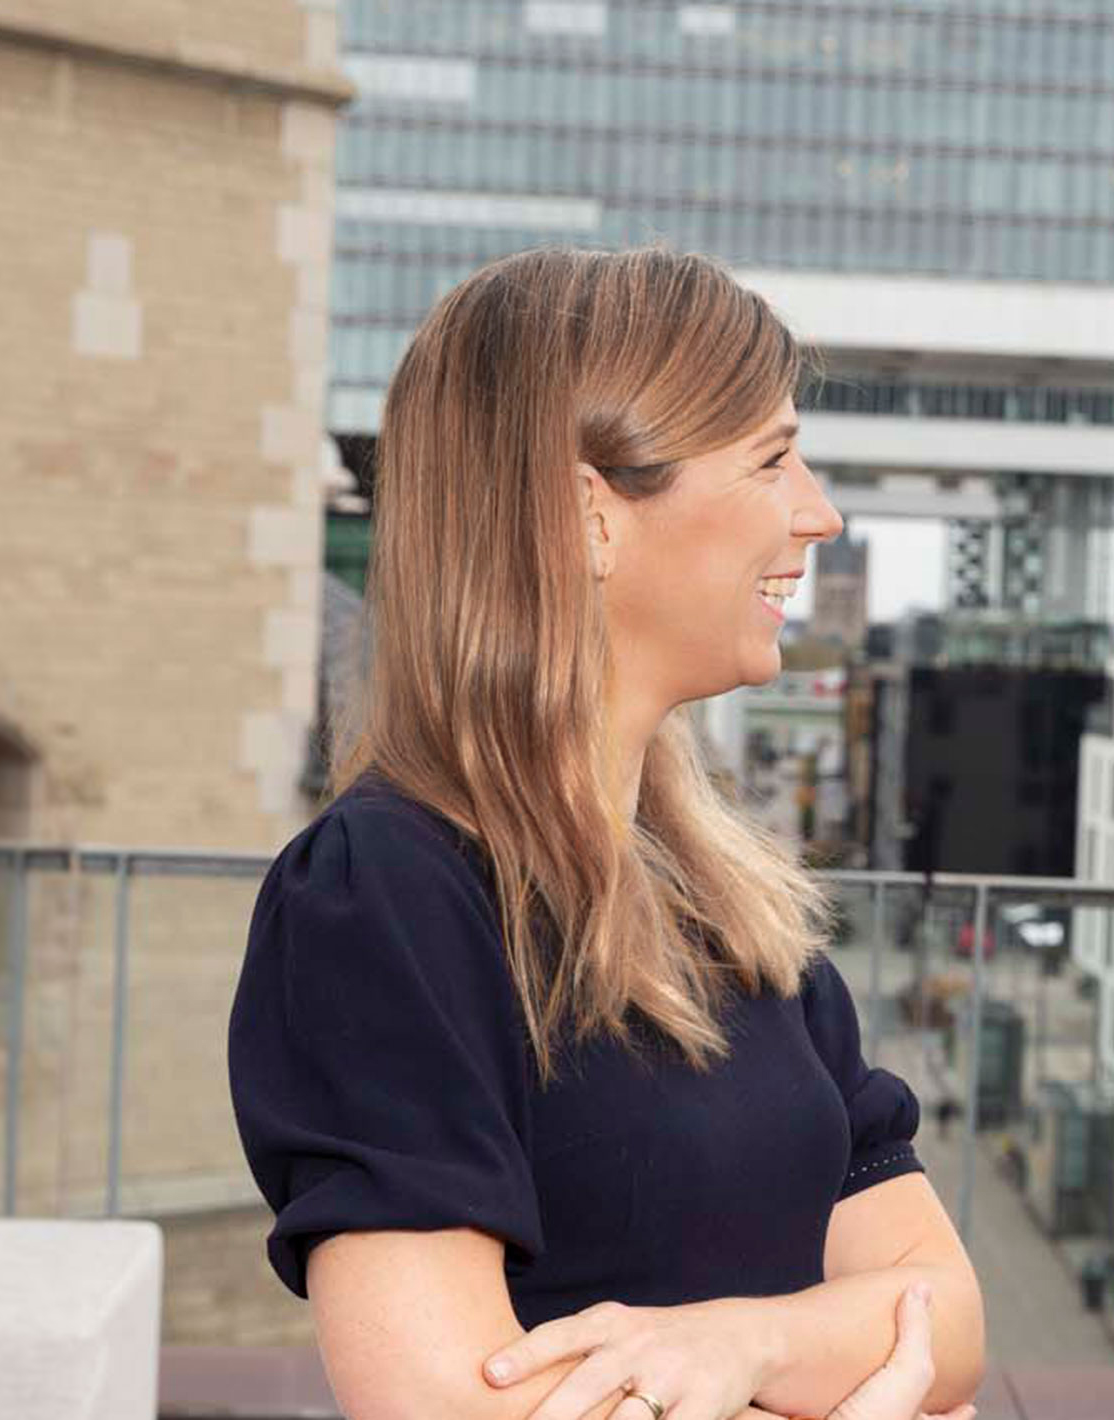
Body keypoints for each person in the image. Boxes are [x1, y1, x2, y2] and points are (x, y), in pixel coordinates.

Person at [229, 248, 986, 1420]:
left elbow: (948, 1317)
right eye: (774, 458)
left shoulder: (734, 909)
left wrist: (742, 1348)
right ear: (591, 511)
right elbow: (452, 1404)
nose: (819, 512)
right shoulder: (387, 895)